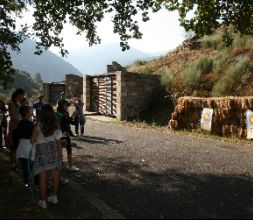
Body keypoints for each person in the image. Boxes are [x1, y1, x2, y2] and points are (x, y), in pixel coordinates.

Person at [32, 104, 63, 209]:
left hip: (41, 152)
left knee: (42, 176)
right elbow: (59, 143)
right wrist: (60, 155)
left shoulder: (38, 124)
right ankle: (54, 197)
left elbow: (32, 141)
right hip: (53, 151)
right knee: (55, 175)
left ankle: (43, 201)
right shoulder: (56, 125)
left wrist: (38, 138)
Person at [15, 106, 35, 187]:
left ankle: (26, 182)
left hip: (21, 145)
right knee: (31, 165)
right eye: (31, 111)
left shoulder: (19, 123)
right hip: (29, 145)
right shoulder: (30, 124)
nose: (32, 112)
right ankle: (32, 181)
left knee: (24, 165)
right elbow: (33, 135)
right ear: (27, 114)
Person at [57, 101, 80, 172]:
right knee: (59, 150)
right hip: (60, 134)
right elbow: (65, 122)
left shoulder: (65, 113)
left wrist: (76, 117)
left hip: (65, 133)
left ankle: (70, 165)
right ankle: (59, 166)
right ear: (62, 105)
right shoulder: (59, 114)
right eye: (66, 105)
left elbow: (70, 122)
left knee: (69, 149)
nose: (67, 106)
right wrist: (72, 116)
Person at [7, 88, 26, 170]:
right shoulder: (12, 104)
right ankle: (12, 164)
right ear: (18, 95)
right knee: (13, 146)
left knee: (17, 145)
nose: (23, 97)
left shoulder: (19, 103)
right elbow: (12, 117)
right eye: (23, 95)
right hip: (14, 126)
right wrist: (21, 121)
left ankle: (15, 163)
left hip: (19, 125)